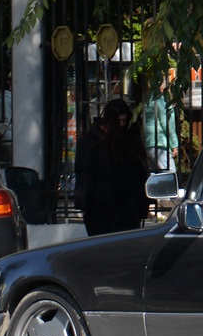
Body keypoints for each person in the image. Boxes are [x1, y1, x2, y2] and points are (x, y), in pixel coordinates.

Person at [75, 98, 150, 236]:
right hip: (102, 209)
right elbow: (86, 175)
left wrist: (143, 204)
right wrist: (84, 205)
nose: (121, 125)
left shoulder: (129, 139)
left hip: (126, 207)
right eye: (118, 121)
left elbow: (140, 173)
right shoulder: (94, 142)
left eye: (124, 121)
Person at [142, 86, 179, 172]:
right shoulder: (162, 101)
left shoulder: (148, 100)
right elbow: (167, 124)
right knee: (170, 174)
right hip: (159, 144)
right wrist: (174, 144)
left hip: (148, 143)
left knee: (154, 175)